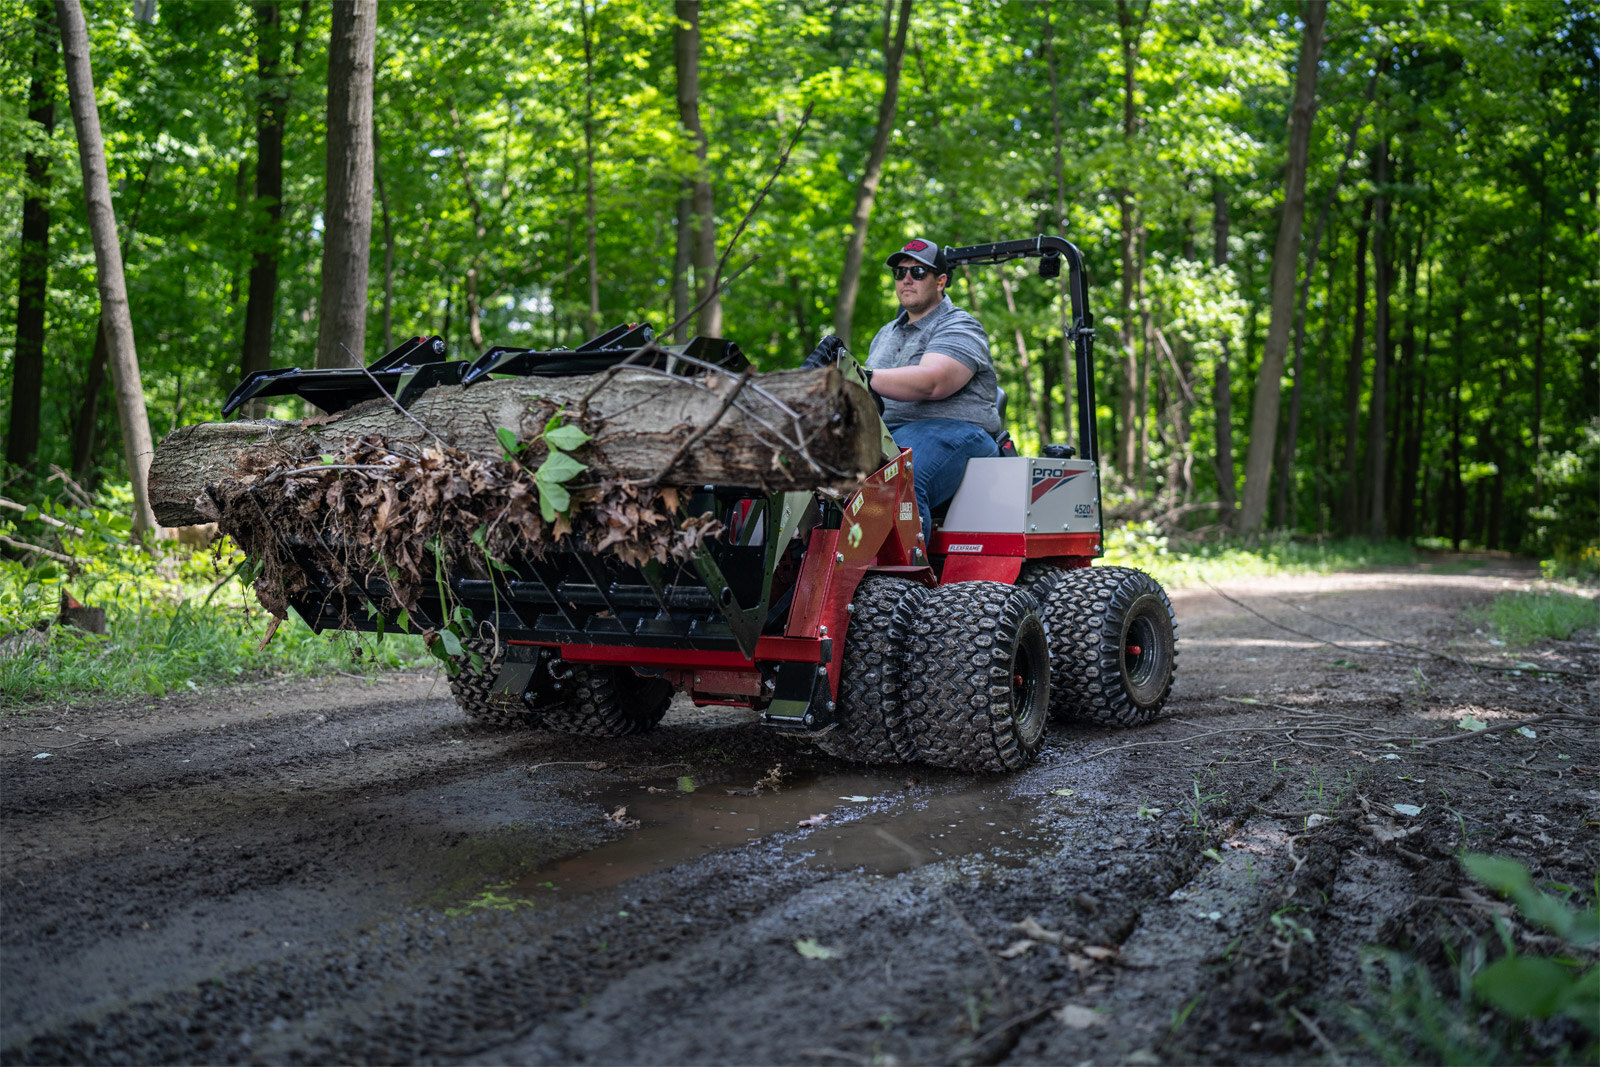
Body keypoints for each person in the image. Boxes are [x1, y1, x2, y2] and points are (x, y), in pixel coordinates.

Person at [807, 237, 1000, 547]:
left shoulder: (960, 325)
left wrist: (860, 374)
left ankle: (906, 587)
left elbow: (932, 382)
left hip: (958, 432)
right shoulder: (886, 333)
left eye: (918, 272)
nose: (906, 278)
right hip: (889, 433)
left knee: (895, 475)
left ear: (941, 281)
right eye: (900, 272)